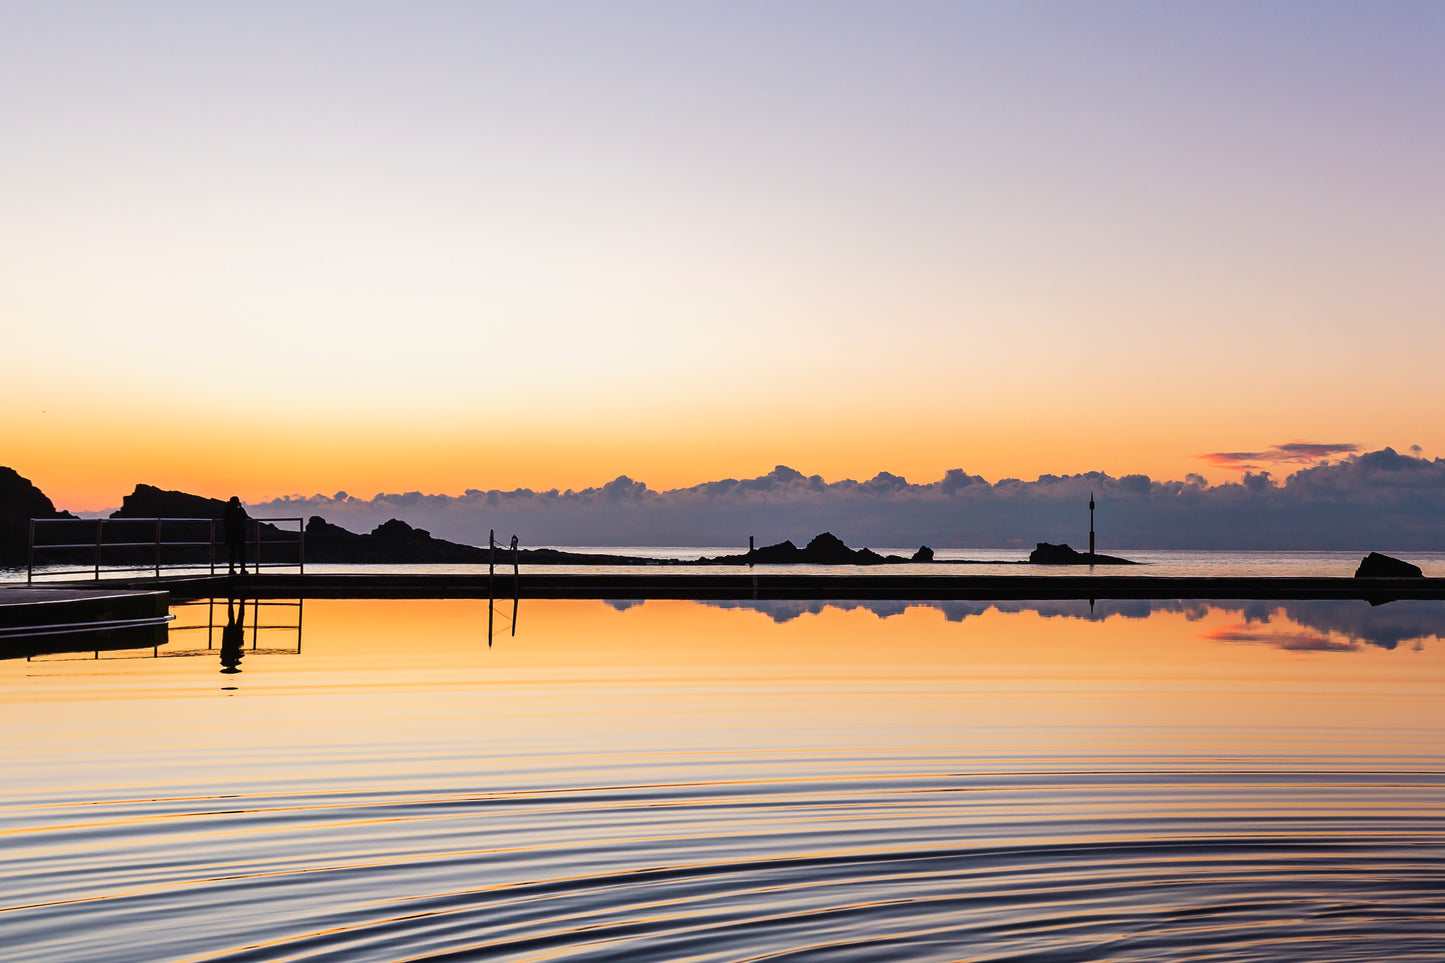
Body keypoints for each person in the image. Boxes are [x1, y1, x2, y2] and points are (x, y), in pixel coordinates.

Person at [223, 496, 249, 574]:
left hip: (230, 534)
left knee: (232, 552)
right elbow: (245, 516)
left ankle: (231, 569)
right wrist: (240, 508)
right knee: (241, 553)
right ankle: (242, 569)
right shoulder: (237, 510)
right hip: (238, 534)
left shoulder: (226, 511)